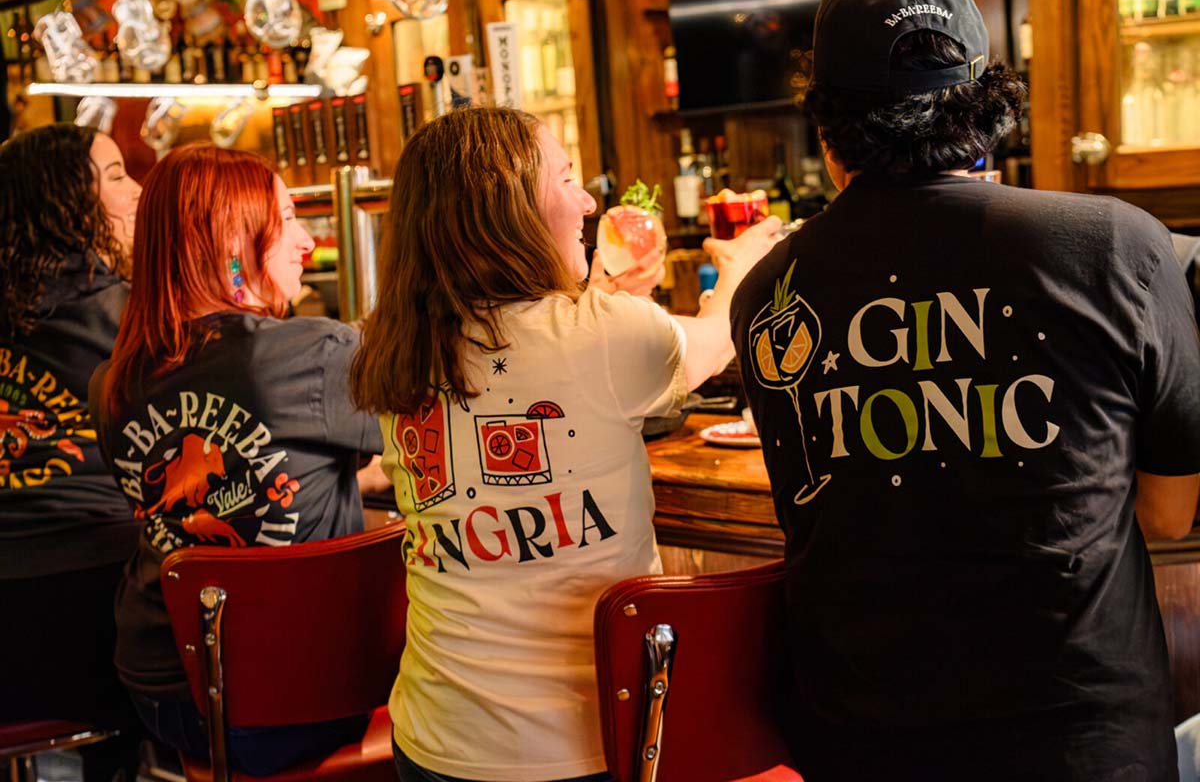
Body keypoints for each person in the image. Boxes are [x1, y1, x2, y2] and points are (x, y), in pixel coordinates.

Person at [730, 0, 1200, 780]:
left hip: (865, 744)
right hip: (1081, 743)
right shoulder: (1117, 247)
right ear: (984, 107)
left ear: (828, 127)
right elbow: (1167, 513)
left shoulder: (768, 294)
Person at [349, 106, 779, 782]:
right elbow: (712, 341)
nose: (587, 203)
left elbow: (526, 347)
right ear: (508, 210)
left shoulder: (397, 345)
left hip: (435, 737)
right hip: (583, 746)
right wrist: (741, 264)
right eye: (567, 178)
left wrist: (598, 293)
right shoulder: (603, 333)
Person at [90, 143, 386, 776]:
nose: (306, 242)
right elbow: (438, 426)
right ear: (232, 241)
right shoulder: (319, 353)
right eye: (288, 219)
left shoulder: (111, 383)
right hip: (303, 699)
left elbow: (269, 469)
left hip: (164, 695)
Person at [0, 123, 144, 781]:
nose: (137, 191)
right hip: (98, 612)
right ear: (66, 205)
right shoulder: (134, 315)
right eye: (114, 176)